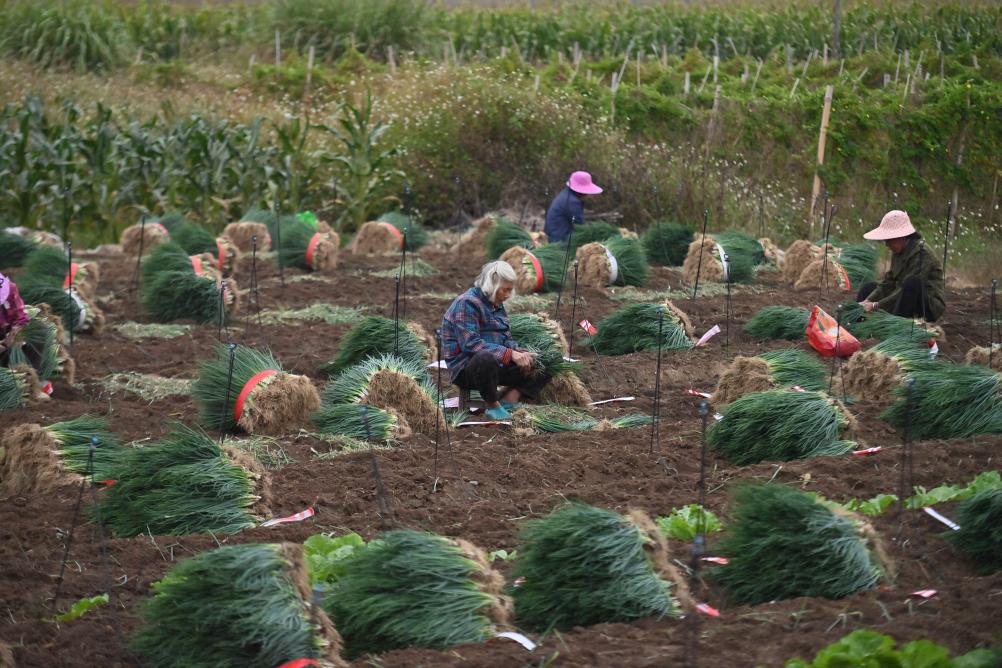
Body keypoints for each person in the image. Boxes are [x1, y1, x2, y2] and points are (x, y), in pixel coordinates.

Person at [441, 261, 552, 421]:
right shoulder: (467, 303)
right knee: (485, 358)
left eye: (510, 290)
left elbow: (506, 337)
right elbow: (471, 344)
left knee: (546, 360)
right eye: (505, 290)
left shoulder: (497, 305)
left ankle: (508, 400)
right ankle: (492, 406)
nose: (507, 295)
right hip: (468, 368)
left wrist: (519, 352)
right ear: (492, 284)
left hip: (497, 364)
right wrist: (509, 354)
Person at [857, 210, 945, 321]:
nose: (887, 244)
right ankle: (859, 320)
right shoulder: (897, 252)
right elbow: (888, 283)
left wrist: (876, 305)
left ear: (902, 236)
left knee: (912, 283)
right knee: (868, 288)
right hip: (901, 296)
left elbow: (905, 289)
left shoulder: (922, 253)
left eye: (889, 240)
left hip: (926, 304)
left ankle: (893, 323)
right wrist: (868, 301)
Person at [543, 171, 603, 243]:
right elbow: (580, 226)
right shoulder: (572, 202)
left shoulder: (566, 195)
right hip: (560, 240)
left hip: (554, 235)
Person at [0, 271, 30, 359]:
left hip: (7, 329)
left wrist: (15, 332)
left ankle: (35, 371)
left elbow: (21, 317)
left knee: (41, 329)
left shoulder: (10, 288)